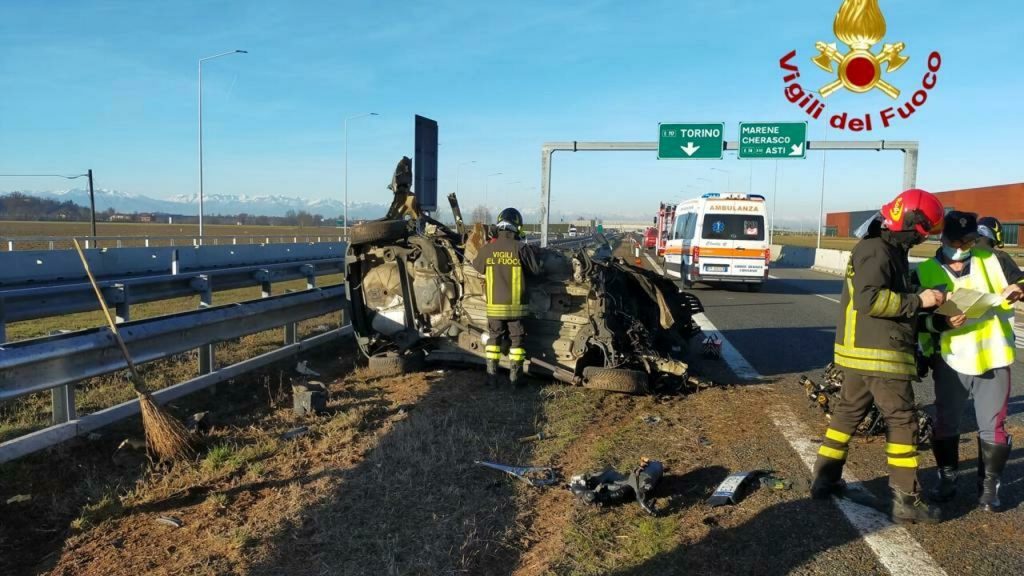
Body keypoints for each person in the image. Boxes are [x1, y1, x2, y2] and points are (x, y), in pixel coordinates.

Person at [811, 188, 947, 524]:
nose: (921, 239)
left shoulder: (885, 249)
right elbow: (871, 301)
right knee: (902, 420)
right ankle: (907, 501)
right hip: (880, 354)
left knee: (846, 415)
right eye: (921, 232)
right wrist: (921, 301)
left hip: (863, 354)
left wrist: (932, 314)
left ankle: (824, 480)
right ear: (910, 223)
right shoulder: (877, 251)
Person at [918, 212, 1024, 512]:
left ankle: (989, 487)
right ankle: (947, 478)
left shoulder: (994, 259)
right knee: (946, 422)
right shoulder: (924, 271)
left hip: (993, 355)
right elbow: (918, 320)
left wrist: (1018, 290)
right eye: (957, 241)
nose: (963, 247)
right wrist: (942, 325)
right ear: (943, 238)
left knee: (993, 425)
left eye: (969, 241)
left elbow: (1022, 282)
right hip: (951, 359)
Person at [472, 207, 541, 386]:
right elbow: (536, 270)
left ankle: (491, 377)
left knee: (494, 339)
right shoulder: (521, 248)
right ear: (517, 227)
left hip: (494, 307)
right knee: (517, 340)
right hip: (515, 307)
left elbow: (477, 267)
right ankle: (515, 379)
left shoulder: (489, 248)